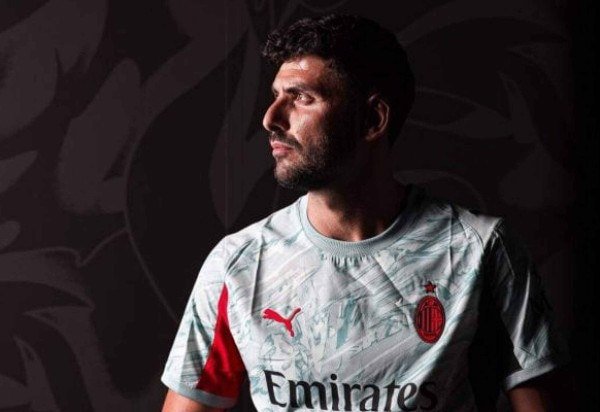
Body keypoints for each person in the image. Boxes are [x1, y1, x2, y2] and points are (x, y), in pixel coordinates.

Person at [161, 14, 570, 412]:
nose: (271, 118)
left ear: (373, 119)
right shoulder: (239, 263)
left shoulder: (481, 250)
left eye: (302, 97)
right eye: (276, 95)